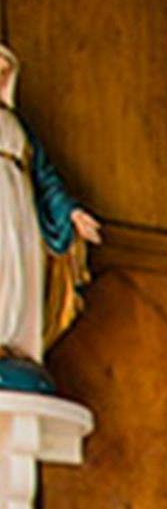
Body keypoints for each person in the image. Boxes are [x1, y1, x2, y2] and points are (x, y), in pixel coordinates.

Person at [0, 45, 100, 392]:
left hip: (18, 210)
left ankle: (9, 344)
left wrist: (71, 213)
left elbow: (44, 178)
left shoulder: (16, 125)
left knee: (17, 274)